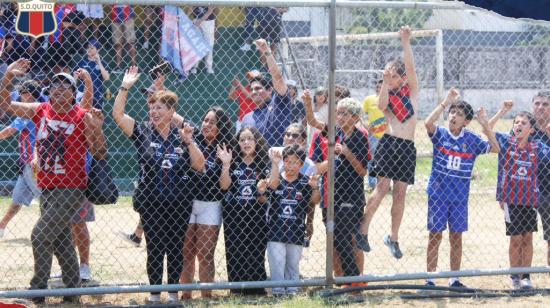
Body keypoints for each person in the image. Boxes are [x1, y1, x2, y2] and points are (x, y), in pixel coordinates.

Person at [0, 59, 107, 304]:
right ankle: (73, 291)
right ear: (49, 93)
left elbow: (100, 153)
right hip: (47, 188)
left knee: (39, 235)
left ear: (73, 94)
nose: (59, 89)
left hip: (71, 189)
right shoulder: (40, 110)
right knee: (61, 241)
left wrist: (96, 126)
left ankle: (37, 291)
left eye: (66, 86)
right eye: (55, 86)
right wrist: (7, 77)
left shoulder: (81, 116)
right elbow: (4, 103)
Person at [112, 66, 205, 303]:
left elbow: (200, 165)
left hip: (179, 203)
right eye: (151, 107)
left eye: (159, 107)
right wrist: (125, 86)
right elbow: (118, 115)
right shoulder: (142, 130)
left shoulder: (182, 134)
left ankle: (173, 295)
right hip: (151, 203)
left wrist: (189, 142)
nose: (153, 111)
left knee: (175, 249)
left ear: (171, 111)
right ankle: (154, 296)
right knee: (155, 249)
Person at [423, 88, 499, 288]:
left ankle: (454, 278)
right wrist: (445, 102)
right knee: (435, 235)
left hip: (459, 198)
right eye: (452, 112)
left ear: (466, 121)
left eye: (459, 114)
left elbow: (496, 148)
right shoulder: (440, 134)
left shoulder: (472, 140)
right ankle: (430, 277)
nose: (453, 116)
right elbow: (428, 123)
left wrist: (485, 125)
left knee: (456, 237)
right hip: (438, 194)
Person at [357, 26, 420, 259]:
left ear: (402, 78)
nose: (391, 79)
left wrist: (406, 41)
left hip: (406, 147)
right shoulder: (388, 95)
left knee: (400, 193)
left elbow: (411, 69)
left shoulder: (411, 92)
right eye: (388, 75)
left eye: (394, 76)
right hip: (389, 144)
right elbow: (382, 106)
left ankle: (393, 237)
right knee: (381, 188)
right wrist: (384, 82)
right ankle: (362, 230)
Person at [304, 93, 371, 279]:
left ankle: (355, 280)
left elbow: (362, 171)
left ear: (356, 117)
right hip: (332, 195)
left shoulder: (360, 137)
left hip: (351, 197)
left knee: (346, 239)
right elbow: (312, 122)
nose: (340, 117)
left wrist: (347, 152)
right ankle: (343, 280)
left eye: (345, 114)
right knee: (335, 239)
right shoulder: (336, 132)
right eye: (338, 113)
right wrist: (308, 103)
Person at [217, 127, 280, 295]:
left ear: (256, 141)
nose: (246, 142)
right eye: (242, 139)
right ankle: (236, 288)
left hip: (256, 214)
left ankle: (255, 288)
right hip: (234, 214)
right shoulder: (233, 161)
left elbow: (273, 184)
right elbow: (224, 185)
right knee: (235, 250)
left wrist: (274, 163)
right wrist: (225, 164)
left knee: (256, 250)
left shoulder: (263, 162)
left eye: (250, 138)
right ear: (237, 143)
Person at [492, 109, 549, 289]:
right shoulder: (506, 142)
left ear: (531, 130)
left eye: (524, 123)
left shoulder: (537, 146)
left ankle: (526, 276)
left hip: (530, 199)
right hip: (511, 199)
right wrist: (501, 111)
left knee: (528, 238)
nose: (519, 125)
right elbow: (487, 130)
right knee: (515, 239)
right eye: (516, 122)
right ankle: (514, 276)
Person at [180, 107, 233, 299]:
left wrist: (225, 164)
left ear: (221, 127)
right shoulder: (193, 139)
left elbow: (224, 186)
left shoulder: (225, 146)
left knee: (205, 254)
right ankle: (186, 296)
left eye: (212, 122)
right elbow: (178, 118)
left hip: (210, 203)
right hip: (188, 201)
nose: (207, 124)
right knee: (186, 253)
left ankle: (206, 297)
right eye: (205, 120)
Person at [264, 144, 320, 296]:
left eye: (295, 162)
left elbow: (315, 200)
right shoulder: (276, 180)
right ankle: (278, 291)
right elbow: (268, 192)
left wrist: (315, 187)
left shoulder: (304, 182)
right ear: (283, 162)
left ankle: (292, 291)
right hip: (276, 231)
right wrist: (275, 164)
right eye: (287, 161)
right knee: (277, 262)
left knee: (293, 264)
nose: (291, 165)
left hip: (295, 231)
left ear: (301, 165)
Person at [0, 80, 42, 238]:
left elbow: (8, 132)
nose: (20, 96)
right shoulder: (32, 110)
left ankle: (55, 230)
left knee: (46, 201)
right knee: (17, 198)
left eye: (23, 93)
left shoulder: (30, 112)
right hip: (25, 163)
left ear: (29, 95)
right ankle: (1, 225)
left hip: (35, 164)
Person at [241, 39, 292, 146]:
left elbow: (277, 77)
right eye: (252, 89)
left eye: (258, 88)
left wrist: (267, 52)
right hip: (257, 162)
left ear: (270, 90)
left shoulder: (279, 103)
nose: (254, 92)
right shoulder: (247, 118)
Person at [529, 91, 550, 267]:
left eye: (545, 104)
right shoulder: (525, 128)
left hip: (548, 191)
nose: (540, 108)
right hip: (525, 191)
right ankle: (522, 276)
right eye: (537, 104)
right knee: (523, 236)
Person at [362, 79, 386, 190]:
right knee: (372, 159)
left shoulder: (389, 99)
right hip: (374, 135)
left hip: (388, 135)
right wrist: (366, 126)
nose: (379, 89)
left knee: (386, 159)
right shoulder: (369, 100)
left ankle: (384, 184)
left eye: (381, 87)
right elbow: (359, 114)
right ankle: (372, 184)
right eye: (377, 87)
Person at [76, 39, 110, 110]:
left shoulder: (102, 63)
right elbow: (75, 77)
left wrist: (99, 62)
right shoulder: (82, 62)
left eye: (92, 48)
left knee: (96, 116)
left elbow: (106, 78)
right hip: (82, 93)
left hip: (97, 94)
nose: (89, 49)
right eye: (88, 47)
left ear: (98, 50)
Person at [188, 7, 218, 75]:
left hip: (209, 21)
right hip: (196, 20)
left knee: (209, 44)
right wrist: (184, 17)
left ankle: (209, 67)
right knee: (195, 44)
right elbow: (191, 7)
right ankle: (194, 67)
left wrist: (200, 20)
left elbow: (211, 10)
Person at [110, 5, 137, 72]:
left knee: (131, 42)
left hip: (128, 15)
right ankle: (118, 67)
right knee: (117, 43)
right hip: (115, 16)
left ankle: (134, 66)